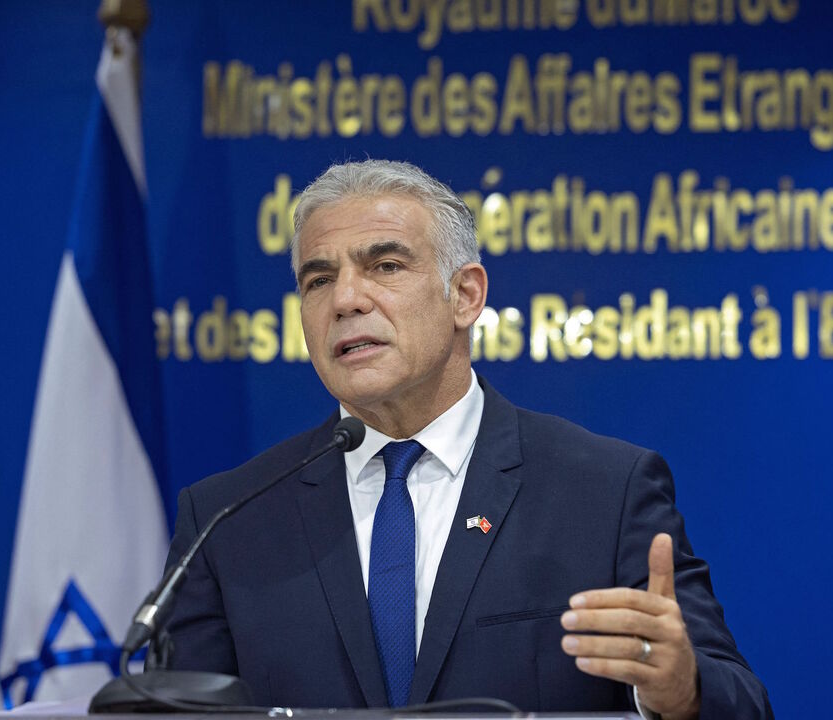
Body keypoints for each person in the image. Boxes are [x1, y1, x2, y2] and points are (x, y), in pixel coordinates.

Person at [152, 160, 772, 719]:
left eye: (385, 266)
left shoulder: (603, 493)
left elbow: (743, 704)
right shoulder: (229, 518)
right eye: (318, 280)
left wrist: (682, 690)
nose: (344, 299)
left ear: (466, 295)